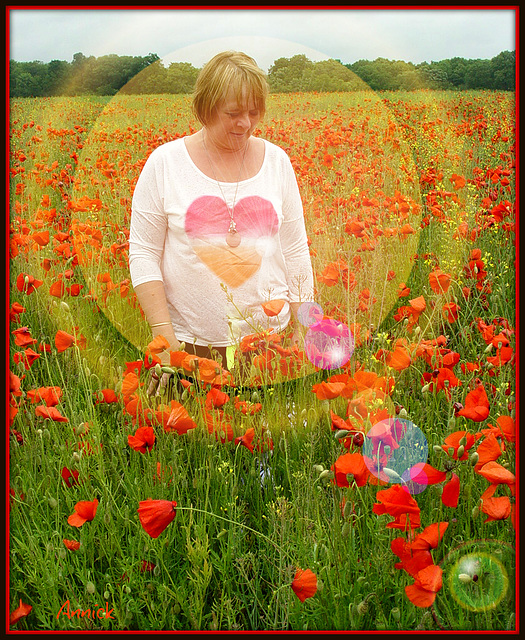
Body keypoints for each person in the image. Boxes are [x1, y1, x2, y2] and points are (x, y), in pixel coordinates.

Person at [129, 51, 314, 395]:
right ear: (205, 108)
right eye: (233, 113)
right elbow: (143, 254)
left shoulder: (277, 162)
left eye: (254, 112)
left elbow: (295, 250)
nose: (245, 123)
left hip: (270, 347)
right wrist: (166, 344)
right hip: (189, 351)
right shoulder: (165, 164)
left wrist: (305, 329)